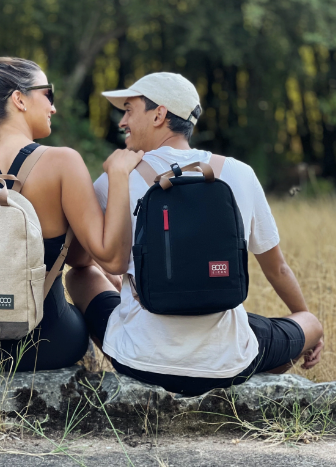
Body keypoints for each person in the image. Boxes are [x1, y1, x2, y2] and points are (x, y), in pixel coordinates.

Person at [66, 72, 324, 397]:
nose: (122, 122)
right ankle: (247, 366)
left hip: (138, 360)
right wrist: (306, 321)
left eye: (129, 110)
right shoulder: (240, 173)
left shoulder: (115, 178)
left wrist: (123, 276)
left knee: (80, 276)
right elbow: (278, 269)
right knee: (310, 323)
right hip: (228, 361)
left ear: (159, 114)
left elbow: (79, 259)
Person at [0, 57, 142, 372]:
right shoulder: (62, 161)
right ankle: (141, 349)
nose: (53, 107)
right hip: (46, 344)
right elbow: (111, 260)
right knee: (88, 280)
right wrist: (120, 178)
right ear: (19, 99)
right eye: (47, 95)